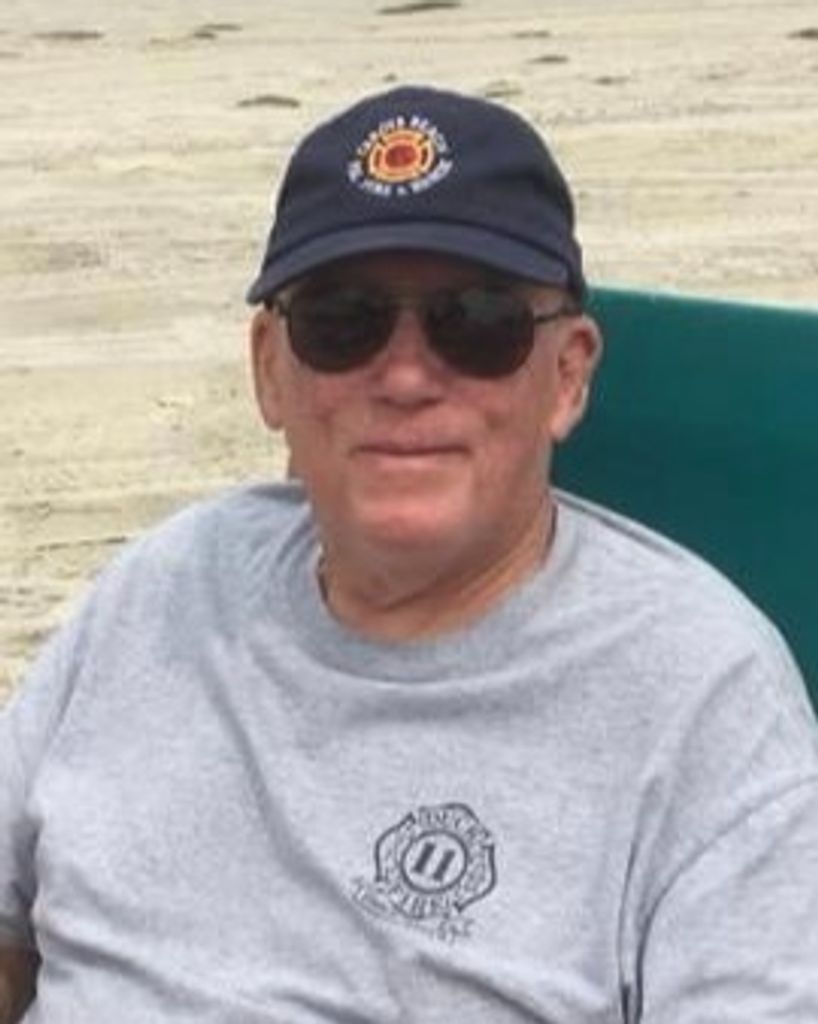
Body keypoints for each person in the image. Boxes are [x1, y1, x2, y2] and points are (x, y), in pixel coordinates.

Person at [1, 84, 817, 1024]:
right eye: (341, 322)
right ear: (270, 369)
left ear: (567, 374)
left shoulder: (703, 697)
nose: (402, 376)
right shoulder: (167, 587)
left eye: (477, 323)